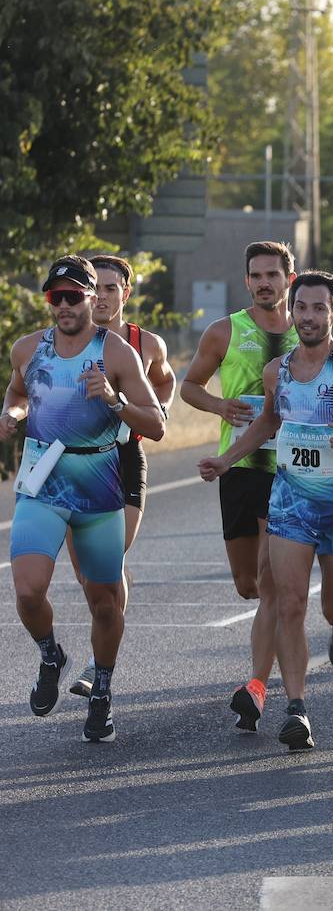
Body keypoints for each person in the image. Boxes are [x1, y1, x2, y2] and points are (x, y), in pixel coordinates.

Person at [198, 272, 333, 750]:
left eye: (320, 309)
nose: (310, 317)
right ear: (292, 313)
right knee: (289, 602)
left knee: (332, 604)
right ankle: (296, 708)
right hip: (289, 502)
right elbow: (267, 423)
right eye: (302, 308)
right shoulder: (276, 370)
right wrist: (226, 460)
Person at [3, 256, 166, 742]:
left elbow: (157, 425)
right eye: (58, 297)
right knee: (28, 591)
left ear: (95, 299)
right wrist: (13, 413)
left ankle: (103, 691)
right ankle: (51, 655)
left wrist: (114, 401)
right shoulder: (28, 349)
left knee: (104, 602)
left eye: (76, 295)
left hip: (97, 483)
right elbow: (16, 394)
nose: (66, 305)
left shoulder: (116, 353)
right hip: (44, 478)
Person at [181, 241, 298, 732]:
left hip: (291, 469)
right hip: (240, 467)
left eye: (273, 273)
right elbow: (189, 386)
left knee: (273, 582)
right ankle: (261, 673)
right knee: (249, 584)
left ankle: (257, 686)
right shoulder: (225, 330)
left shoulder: (308, 332)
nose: (264, 282)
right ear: (246, 280)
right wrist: (218, 408)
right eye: (256, 275)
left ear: (289, 279)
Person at [66, 254, 177, 698]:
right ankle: (104, 637)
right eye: (98, 288)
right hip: (75, 463)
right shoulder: (67, 339)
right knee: (91, 576)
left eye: (113, 289)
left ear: (125, 294)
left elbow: (166, 381)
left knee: (107, 559)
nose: (104, 298)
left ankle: (98, 664)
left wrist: (160, 410)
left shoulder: (145, 344)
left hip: (124, 457)